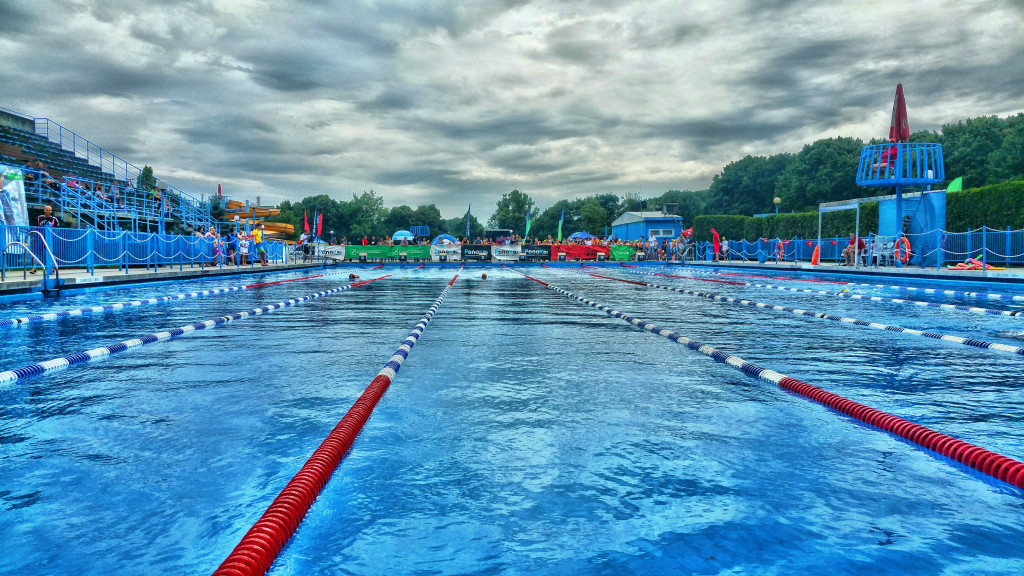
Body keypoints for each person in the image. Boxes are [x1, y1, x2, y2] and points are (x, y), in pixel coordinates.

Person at [29, 204, 60, 274]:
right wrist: (35, 236)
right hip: (40, 238)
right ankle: (34, 268)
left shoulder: (54, 219)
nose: (48, 211)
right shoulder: (39, 218)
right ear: (44, 210)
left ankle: (51, 267)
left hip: (50, 239)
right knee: (36, 253)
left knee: (50, 253)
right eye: (47, 210)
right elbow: (36, 227)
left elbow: (57, 229)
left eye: (49, 210)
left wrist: (55, 237)